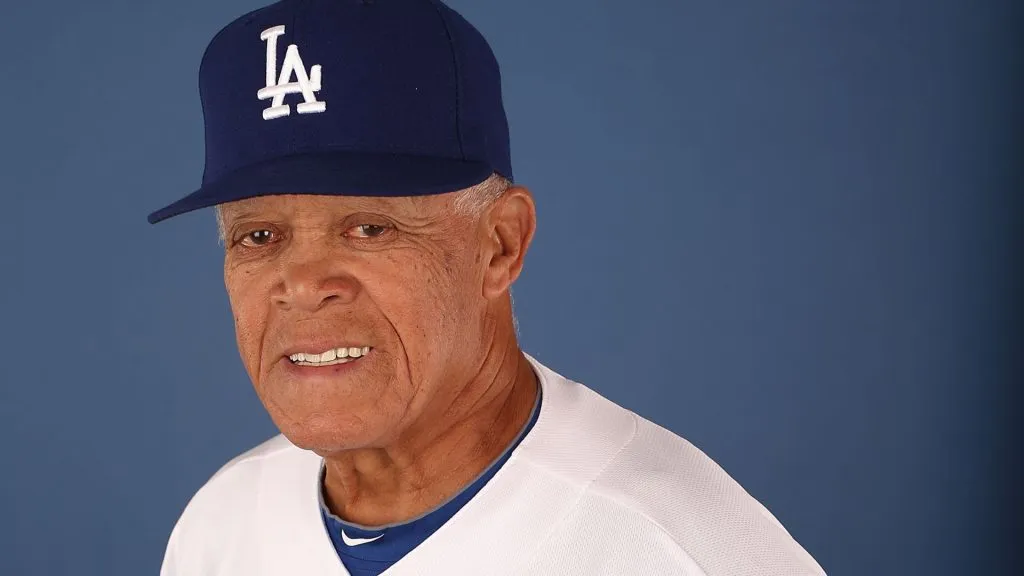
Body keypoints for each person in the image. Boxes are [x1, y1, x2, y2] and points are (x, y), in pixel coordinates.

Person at [149, 1, 827, 574]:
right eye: (258, 236)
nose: (301, 285)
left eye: (369, 227)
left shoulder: (670, 547)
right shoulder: (220, 527)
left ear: (500, 244)